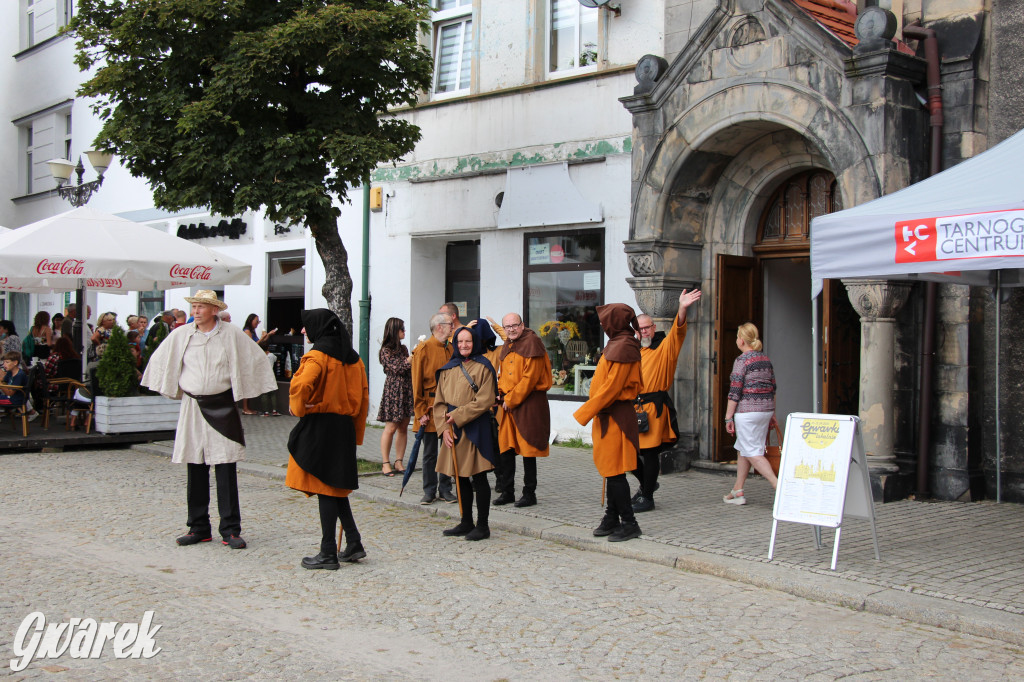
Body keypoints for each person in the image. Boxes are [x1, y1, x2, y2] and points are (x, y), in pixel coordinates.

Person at [141, 290, 277, 549]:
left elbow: (254, 358)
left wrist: (244, 389)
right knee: (195, 464)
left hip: (223, 405)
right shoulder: (181, 335)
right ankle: (198, 527)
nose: (196, 311)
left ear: (214, 310)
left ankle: (230, 529)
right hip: (193, 405)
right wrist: (172, 388)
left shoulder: (232, 333)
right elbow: (161, 361)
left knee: (225, 466)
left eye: (202, 306)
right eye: (194, 306)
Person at [286, 309, 369, 570]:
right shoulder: (354, 359)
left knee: (325, 487)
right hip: (343, 427)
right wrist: (356, 433)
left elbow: (300, 387)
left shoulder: (317, 357)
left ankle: (328, 553)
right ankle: (353, 541)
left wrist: (298, 408)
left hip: (321, 427)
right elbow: (363, 399)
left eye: (305, 326)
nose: (303, 331)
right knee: (334, 486)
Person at [573, 303, 644, 543]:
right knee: (610, 470)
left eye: (605, 321)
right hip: (607, 415)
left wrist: (584, 412)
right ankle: (612, 516)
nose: (602, 325)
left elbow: (613, 388)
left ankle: (629, 522)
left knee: (614, 472)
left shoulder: (624, 345)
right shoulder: (618, 343)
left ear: (614, 322)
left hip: (615, 416)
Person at [630, 289, 702, 513]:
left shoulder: (664, 348)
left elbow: (678, 332)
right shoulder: (632, 351)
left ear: (653, 327)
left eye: (647, 327)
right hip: (632, 408)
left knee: (650, 452)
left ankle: (648, 496)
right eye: (639, 329)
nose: (644, 331)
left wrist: (682, 307)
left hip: (654, 408)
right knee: (627, 452)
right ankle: (647, 484)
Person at [434, 321, 499, 541]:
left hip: (474, 428)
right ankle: (465, 521)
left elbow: (485, 399)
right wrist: (443, 428)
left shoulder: (484, 367)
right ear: (455, 343)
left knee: (478, 477)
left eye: (468, 341)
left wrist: (459, 416)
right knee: (459, 477)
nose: (463, 345)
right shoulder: (448, 368)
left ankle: (482, 525)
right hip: (452, 429)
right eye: (460, 341)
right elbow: (440, 402)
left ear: (475, 342)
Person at [493, 313, 552, 508]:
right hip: (508, 404)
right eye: (507, 326)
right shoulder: (508, 344)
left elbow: (530, 378)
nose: (511, 329)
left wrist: (511, 399)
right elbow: (503, 373)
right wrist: (500, 393)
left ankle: (529, 493)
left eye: (514, 325)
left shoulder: (533, 342)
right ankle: (508, 491)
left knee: (528, 449)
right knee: (506, 448)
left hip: (529, 403)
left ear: (522, 325)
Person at [723, 322, 779, 505]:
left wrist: (728, 417)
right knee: (743, 448)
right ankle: (738, 490)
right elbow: (773, 388)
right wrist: (772, 413)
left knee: (753, 452)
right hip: (765, 409)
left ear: (742, 340)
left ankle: (778, 487)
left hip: (748, 411)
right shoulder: (765, 359)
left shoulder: (742, 360)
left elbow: (735, 391)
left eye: (738, 336)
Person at [411, 312, 456, 505]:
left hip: (447, 408)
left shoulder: (451, 348)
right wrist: (420, 412)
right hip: (429, 410)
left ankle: (445, 488)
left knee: (447, 449)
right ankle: (429, 490)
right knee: (430, 453)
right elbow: (416, 383)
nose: (452, 327)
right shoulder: (424, 349)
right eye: (449, 324)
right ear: (439, 327)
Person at [377, 317, 412, 476]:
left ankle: (399, 461)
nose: (404, 331)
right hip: (393, 391)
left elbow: (407, 368)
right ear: (394, 331)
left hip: (405, 389)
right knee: (391, 427)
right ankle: (385, 462)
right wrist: (411, 359)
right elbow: (398, 368)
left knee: (403, 427)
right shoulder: (385, 350)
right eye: (401, 329)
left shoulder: (403, 349)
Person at [242, 313, 278, 416]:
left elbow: (260, 343)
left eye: (259, 321)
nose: (258, 323)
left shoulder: (252, 331)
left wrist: (269, 335)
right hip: (248, 360)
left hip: (253, 359)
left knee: (250, 383)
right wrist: (263, 337)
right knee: (247, 383)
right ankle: (245, 408)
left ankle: (247, 408)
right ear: (251, 320)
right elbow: (253, 345)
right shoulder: (247, 331)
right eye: (256, 321)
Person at [0, 352, 35, 420]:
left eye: (7, 362)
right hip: (12, 398)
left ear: (15, 362)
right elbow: (3, 380)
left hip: (15, 400)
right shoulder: (10, 372)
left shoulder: (19, 375)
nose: (4, 365)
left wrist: (1, 385)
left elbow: (10, 393)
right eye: (4, 362)